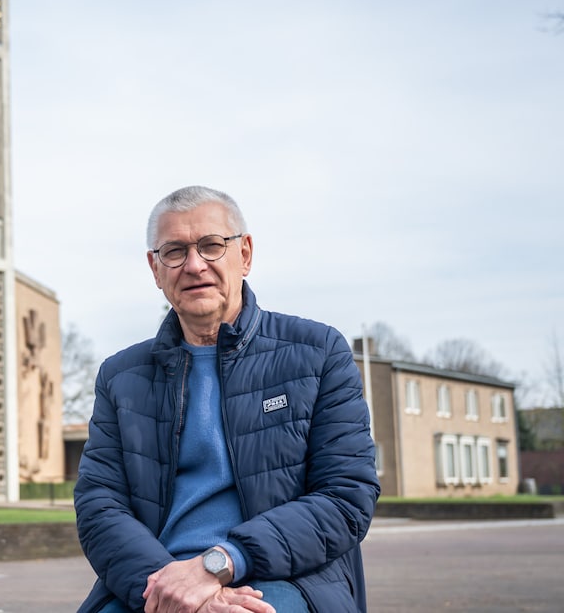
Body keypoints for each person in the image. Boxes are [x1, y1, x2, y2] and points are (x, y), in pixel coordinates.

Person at [74, 186, 380, 613]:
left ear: (245, 254)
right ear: (155, 269)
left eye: (212, 246)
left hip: (283, 578)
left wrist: (216, 566)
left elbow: (346, 497)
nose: (195, 264)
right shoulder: (121, 376)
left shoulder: (318, 352)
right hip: (152, 582)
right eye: (175, 251)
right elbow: (98, 506)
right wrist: (174, 590)